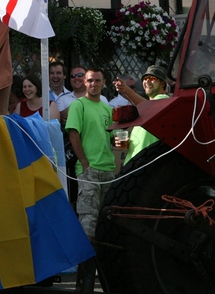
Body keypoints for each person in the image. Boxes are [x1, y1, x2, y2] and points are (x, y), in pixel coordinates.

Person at [65, 67, 115, 240]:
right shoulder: (78, 105)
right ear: (85, 83)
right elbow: (73, 134)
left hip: (109, 169)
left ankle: (101, 256)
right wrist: (84, 162)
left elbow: (112, 137)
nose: (94, 84)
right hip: (89, 169)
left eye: (97, 80)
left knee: (106, 220)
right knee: (88, 220)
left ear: (104, 83)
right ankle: (86, 257)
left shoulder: (107, 108)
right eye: (90, 80)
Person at [113, 65, 171, 164]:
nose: (147, 81)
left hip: (149, 164)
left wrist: (125, 89)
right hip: (135, 164)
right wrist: (127, 143)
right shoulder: (144, 108)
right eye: (145, 78)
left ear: (162, 83)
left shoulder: (164, 100)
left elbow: (148, 107)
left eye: (152, 78)